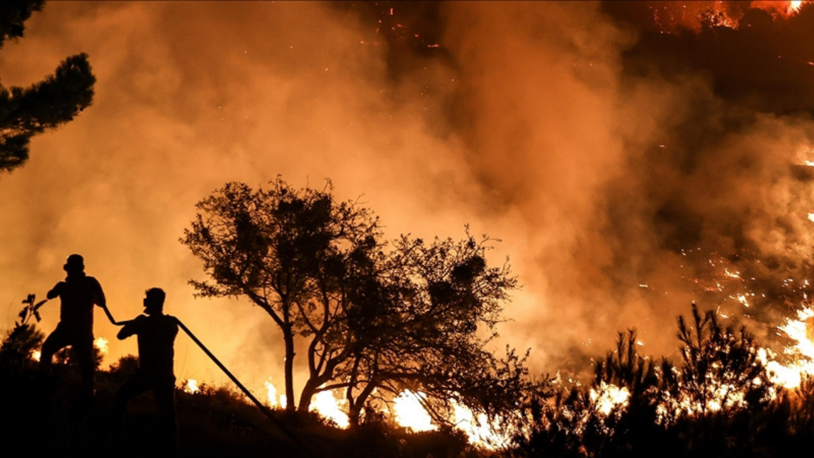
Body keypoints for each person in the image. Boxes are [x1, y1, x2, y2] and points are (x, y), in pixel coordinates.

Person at [115, 288, 179, 448]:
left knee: (121, 396)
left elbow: (120, 335)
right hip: (164, 376)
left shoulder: (143, 323)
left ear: (149, 302)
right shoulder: (171, 324)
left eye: (147, 300)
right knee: (168, 415)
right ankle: (170, 447)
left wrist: (137, 321)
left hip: (148, 375)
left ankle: (117, 436)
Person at [39, 254, 106, 401]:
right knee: (86, 363)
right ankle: (88, 393)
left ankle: (45, 385)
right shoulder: (88, 283)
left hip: (72, 329)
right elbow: (102, 303)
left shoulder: (76, 285)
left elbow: (50, 295)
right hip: (79, 330)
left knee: (49, 350)